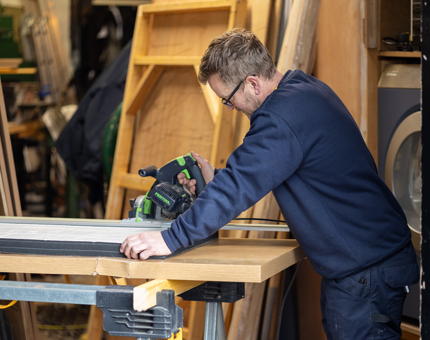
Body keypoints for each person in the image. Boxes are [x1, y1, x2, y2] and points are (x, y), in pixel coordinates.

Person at [120, 28, 419, 339]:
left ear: (251, 82)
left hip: (366, 273)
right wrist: (215, 178)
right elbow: (265, 169)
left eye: (228, 99)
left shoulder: (281, 117)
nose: (231, 108)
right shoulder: (302, 89)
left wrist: (169, 239)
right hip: (372, 264)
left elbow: (240, 184)